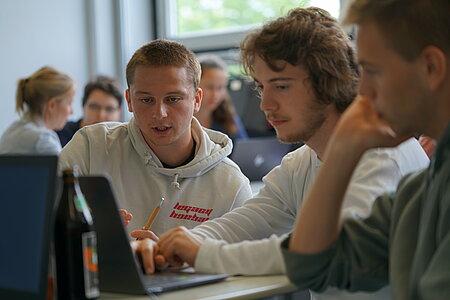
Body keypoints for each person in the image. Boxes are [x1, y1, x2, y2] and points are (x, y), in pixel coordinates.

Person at [132, 8, 429, 299]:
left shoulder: (382, 155)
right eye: (262, 87)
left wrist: (203, 253)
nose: (266, 104)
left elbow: (321, 253)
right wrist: (175, 245)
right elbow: (245, 224)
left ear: (328, 81)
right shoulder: (302, 162)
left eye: (282, 86)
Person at [279, 1, 450, 300]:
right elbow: (311, 266)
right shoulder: (421, 188)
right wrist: (342, 150)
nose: (362, 90)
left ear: (431, 68)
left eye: (372, 70)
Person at [59, 39, 253, 236]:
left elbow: (247, 263)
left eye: (173, 99)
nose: (159, 113)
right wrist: (89, 230)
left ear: (196, 100)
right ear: (129, 101)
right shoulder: (91, 148)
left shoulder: (230, 185)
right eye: (146, 100)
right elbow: (39, 224)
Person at [0, 66, 75, 154]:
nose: (72, 112)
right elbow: (63, 168)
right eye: (69, 103)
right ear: (52, 105)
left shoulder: (10, 132)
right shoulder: (44, 139)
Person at [56, 75, 123, 147]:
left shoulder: (125, 141)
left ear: (119, 112)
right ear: (83, 106)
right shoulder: (58, 136)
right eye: (94, 107)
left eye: (109, 109)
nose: (101, 115)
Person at [194, 54, 248, 142]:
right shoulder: (182, 119)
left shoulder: (228, 118)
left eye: (220, 88)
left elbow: (244, 150)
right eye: (210, 87)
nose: (215, 95)